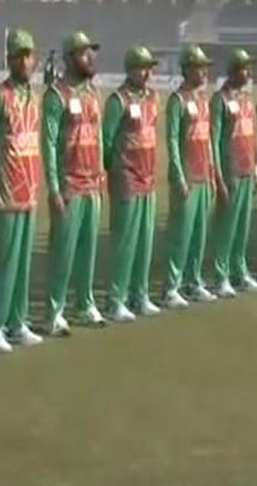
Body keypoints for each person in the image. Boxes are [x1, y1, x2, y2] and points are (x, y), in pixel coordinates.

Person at [0, 28, 44, 353]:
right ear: (10, 59)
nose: (25, 61)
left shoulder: (33, 97)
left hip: (29, 192)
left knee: (22, 264)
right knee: (5, 262)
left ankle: (18, 323)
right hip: (5, 194)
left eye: (29, 55)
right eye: (19, 56)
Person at [41, 31, 107, 337]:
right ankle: (54, 312)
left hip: (92, 184)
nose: (91, 57)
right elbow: (49, 143)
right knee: (63, 253)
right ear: (69, 59)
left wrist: (101, 171)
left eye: (92, 52)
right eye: (83, 53)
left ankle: (85, 303)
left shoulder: (93, 93)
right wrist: (54, 187)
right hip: (69, 186)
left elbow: (99, 137)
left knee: (88, 251)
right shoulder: (57, 95)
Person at [102, 46, 161, 322]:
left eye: (149, 68)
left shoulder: (153, 97)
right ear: (130, 69)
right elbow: (107, 141)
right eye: (142, 68)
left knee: (144, 242)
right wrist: (115, 173)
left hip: (148, 178)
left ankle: (140, 295)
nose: (147, 73)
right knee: (124, 243)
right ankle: (116, 300)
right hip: (126, 178)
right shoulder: (118, 100)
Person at [164, 44, 216, 309]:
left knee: (198, 234)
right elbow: (172, 139)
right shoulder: (178, 100)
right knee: (181, 235)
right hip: (186, 178)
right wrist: (178, 175)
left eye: (205, 67)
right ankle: (171, 287)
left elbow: (209, 140)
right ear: (187, 70)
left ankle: (193, 281)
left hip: (203, 176)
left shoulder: (203, 99)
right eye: (199, 67)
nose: (204, 72)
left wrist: (213, 173)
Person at [210, 48, 257, 296]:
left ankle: (239, 272)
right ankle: (220, 276)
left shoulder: (247, 99)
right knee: (227, 228)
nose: (249, 72)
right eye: (245, 68)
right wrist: (219, 178)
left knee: (242, 228)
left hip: (247, 171)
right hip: (230, 173)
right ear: (233, 70)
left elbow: (254, 136)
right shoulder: (219, 100)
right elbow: (214, 140)